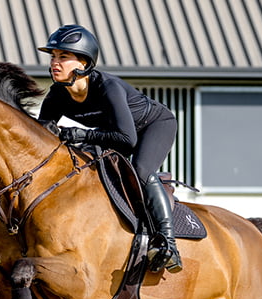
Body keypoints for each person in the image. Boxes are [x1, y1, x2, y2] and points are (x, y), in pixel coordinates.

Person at [37, 24, 182, 273]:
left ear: (83, 63)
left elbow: (127, 140)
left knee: (140, 169)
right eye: (53, 57)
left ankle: (168, 243)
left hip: (153, 126)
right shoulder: (56, 95)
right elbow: (40, 137)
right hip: (113, 133)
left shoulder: (108, 88)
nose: (54, 63)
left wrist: (82, 134)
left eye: (63, 57)